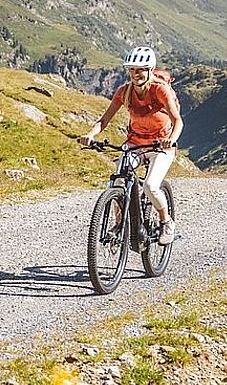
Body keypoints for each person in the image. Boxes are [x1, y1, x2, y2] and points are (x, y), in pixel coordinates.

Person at [79, 46, 184, 245]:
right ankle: (119, 225)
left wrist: (171, 138)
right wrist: (90, 135)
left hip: (161, 146)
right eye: (132, 70)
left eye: (141, 70)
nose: (136, 74)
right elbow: (104, 120)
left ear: (150, 70)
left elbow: (177, 120)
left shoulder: (159, 90)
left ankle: (166, 221)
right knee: (118, 182)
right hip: (135, 143)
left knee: (151, 186)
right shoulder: (124, 92)